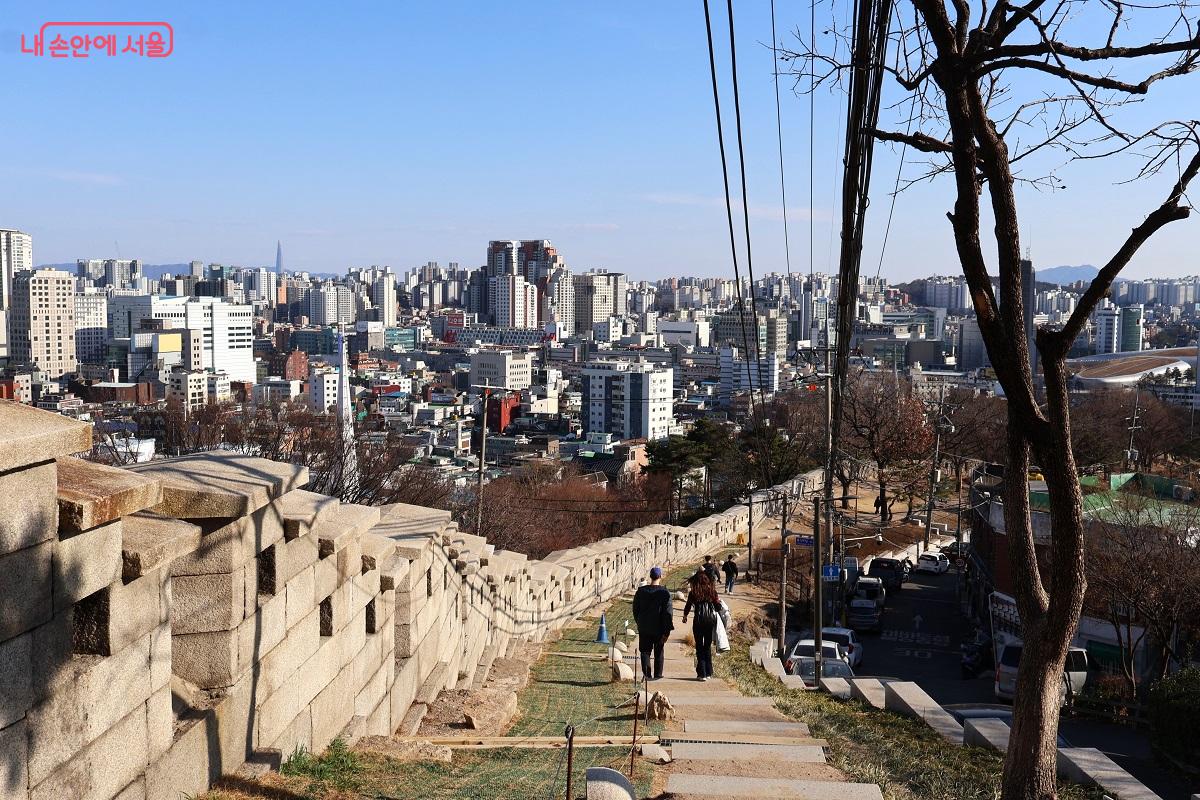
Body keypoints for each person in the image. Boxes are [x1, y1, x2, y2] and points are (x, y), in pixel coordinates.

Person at [631, 566, 673, 680]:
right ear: (660, 576)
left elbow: (635, 610)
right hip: (659, 628)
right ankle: (658, 674)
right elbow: (668, 613)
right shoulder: (665, 593)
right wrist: (667, 631)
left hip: (644, 627)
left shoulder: (641, 591)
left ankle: (647, 675)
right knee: (659, 651)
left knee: (645, 651)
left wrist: (639, 622)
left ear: (650, 576)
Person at [682, 572, 720, 681]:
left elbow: (688, 605)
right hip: (709, 622)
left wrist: (685, 616)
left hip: (698, 621)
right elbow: (717, 606)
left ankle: (701, 673)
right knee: (707, 646)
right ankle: (708, 672)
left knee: (699, 646)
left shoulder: (693, 592)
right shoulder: (712, 591)